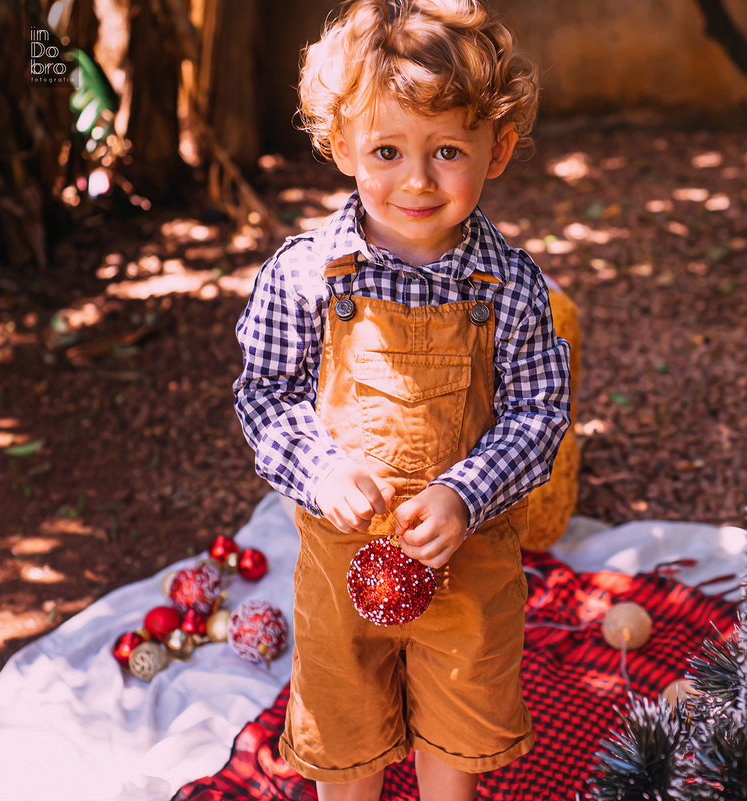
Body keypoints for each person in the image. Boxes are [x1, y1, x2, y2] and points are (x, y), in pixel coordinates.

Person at [231, 2, 571, 799]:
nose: (417, 180)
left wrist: (466, 491)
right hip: (342, 567)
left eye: (447, 150)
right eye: (387, 151)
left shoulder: (512, 286)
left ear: (498, 149)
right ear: (342, 145)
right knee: (345, 724)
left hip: (467, 565)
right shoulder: (304, 276)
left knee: (459, 721)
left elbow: (538, 413)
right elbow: (267, 396)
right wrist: (321, 470)